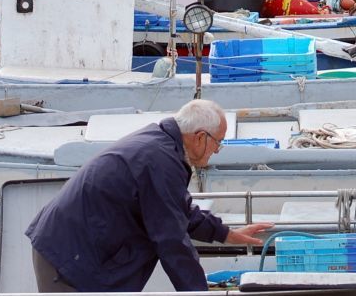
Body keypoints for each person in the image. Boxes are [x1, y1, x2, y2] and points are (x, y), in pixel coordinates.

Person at [26, 100, 271, 292]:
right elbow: (172, 240)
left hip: (76, 248)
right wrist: (198, 293)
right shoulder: (160, 161)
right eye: (218, 143)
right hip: (70, 257)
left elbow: (176, 210)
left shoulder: (161, 146)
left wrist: (227, 234)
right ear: (199, 137)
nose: (217, 150)